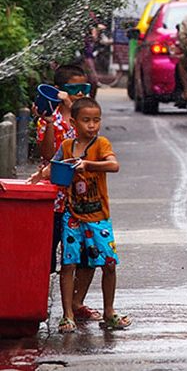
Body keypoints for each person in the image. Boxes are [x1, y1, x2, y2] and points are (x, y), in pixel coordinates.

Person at [29, 97, 129, 333]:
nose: (92, 125)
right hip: (72, 217)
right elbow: (53, 167)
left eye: (96, 120)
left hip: (98, 218)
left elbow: (114, 165)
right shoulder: (66, 146)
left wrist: (89, 164)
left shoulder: (101, 144)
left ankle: (109, 312)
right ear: (74, 122)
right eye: (86, 120)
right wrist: (37, 178)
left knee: (109, 264)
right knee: (68, 264)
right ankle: (67, 316)